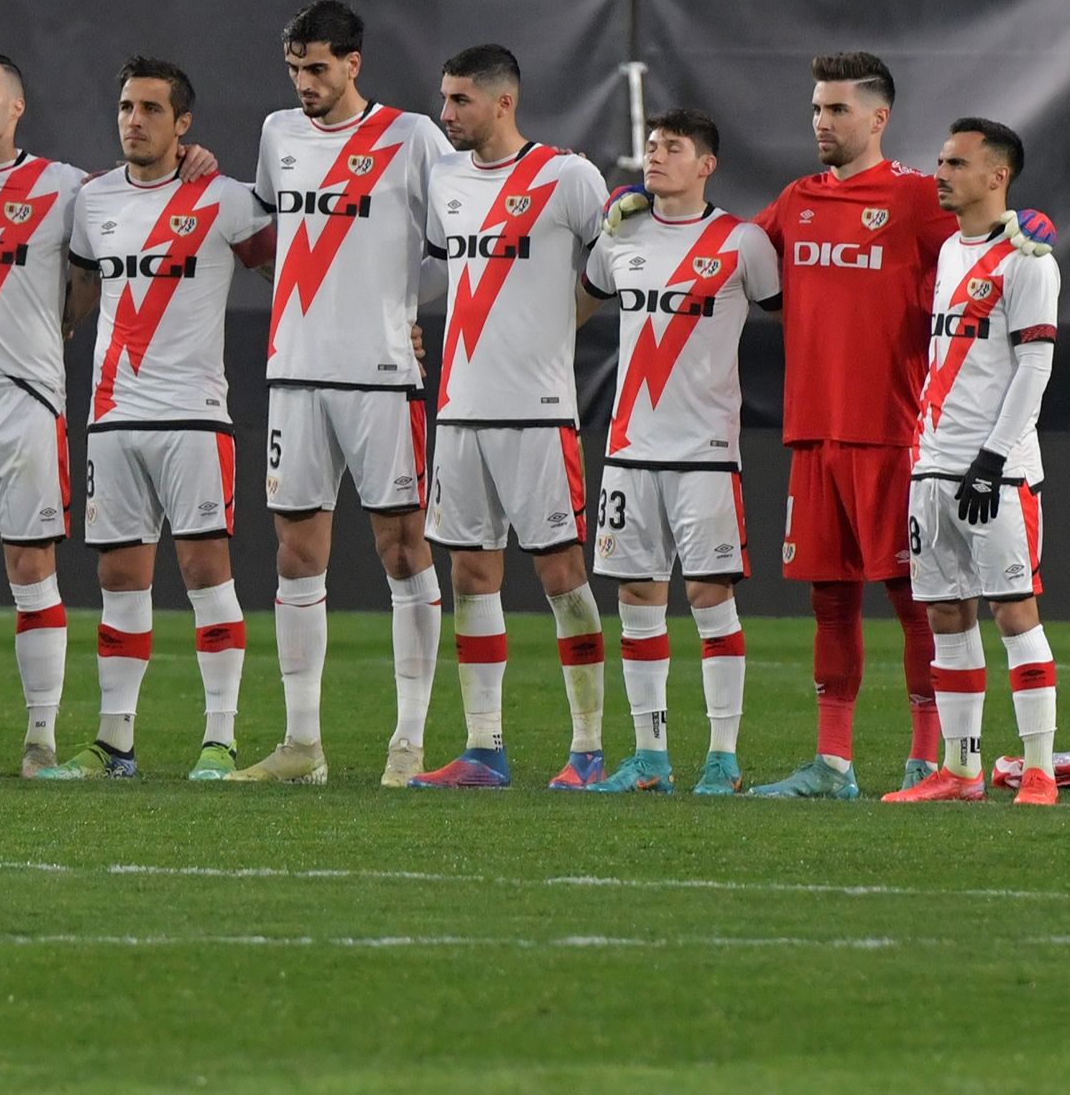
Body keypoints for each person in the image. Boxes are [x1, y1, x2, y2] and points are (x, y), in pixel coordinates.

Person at [0, 53, 217, 779]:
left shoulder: (68, 189)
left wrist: (193, 160)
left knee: (31, 566)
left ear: (17, 108)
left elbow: (112, 243)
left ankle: (39, 739)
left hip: (26, 398)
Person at [747, 53, 1050, 797]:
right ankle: (833, 764)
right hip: (812, 429)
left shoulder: (919, 199)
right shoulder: (796, 200)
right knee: (829, 597)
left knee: (921, 601)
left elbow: (999, 227)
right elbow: (738, 257)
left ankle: (932, 756)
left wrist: (1031, 224)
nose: (822, 122)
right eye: (817, 108)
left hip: (896, 428)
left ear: (879, 118)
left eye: (838, 110)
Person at [230, 0, 450, 787]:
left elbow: (456, 243)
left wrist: (406, 309)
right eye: (294, 68)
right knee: (296, 551)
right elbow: (268, 235)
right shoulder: (277, 134)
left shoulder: (412, 136)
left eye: (317, 68)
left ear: (355, 63)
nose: (304, 84)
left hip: (381, 375)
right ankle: (302, 745)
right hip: (294, 370)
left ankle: (409, 740)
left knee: (403, 547)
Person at [45, 56, 272, 781]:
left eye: (150, 109)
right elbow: (78, 292)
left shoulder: (226, 198)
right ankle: (115, 744)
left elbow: (294, 268)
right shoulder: (93, 200)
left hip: (194, 414)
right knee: (119, 579)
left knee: (206, 571)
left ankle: (220, 738)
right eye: (125, 108)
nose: (134, 121)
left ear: (183, 124)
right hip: (112, 416)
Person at [411, 44, 611, 790]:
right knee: (471, 573)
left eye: (459, 100)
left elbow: (613, 261)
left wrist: (563, 324)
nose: (446, 113)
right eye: (444, 98)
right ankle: (484, 749)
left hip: (538, 409)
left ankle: (587, 752)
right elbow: (441, 275)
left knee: (561, 574)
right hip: (461, 408)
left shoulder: (567, 176)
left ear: (502, 102)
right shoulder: (447, 179)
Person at [577, 109, 781, 795]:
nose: (657, 155)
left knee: (708, 596)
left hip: (705, 451)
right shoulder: (620, 235)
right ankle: (649, 756)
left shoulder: (743, 242)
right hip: (629, 449)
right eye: (653, 145)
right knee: (637, 596)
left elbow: (792, 311)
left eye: (675, 147)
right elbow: (571, 306)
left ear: (708, 164)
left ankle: (722, 757)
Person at [884, 119, 1058, 806]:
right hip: (932, 462)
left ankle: (1039, 768)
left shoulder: (1030, 258)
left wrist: (992, 458)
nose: (941, 173)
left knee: (1015, 611)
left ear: (998, 175)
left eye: (956, 163)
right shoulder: (950, 252)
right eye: (939, 160)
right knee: (947, 616)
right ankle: (961, 771)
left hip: (999, 471)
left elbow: (1035, 364)